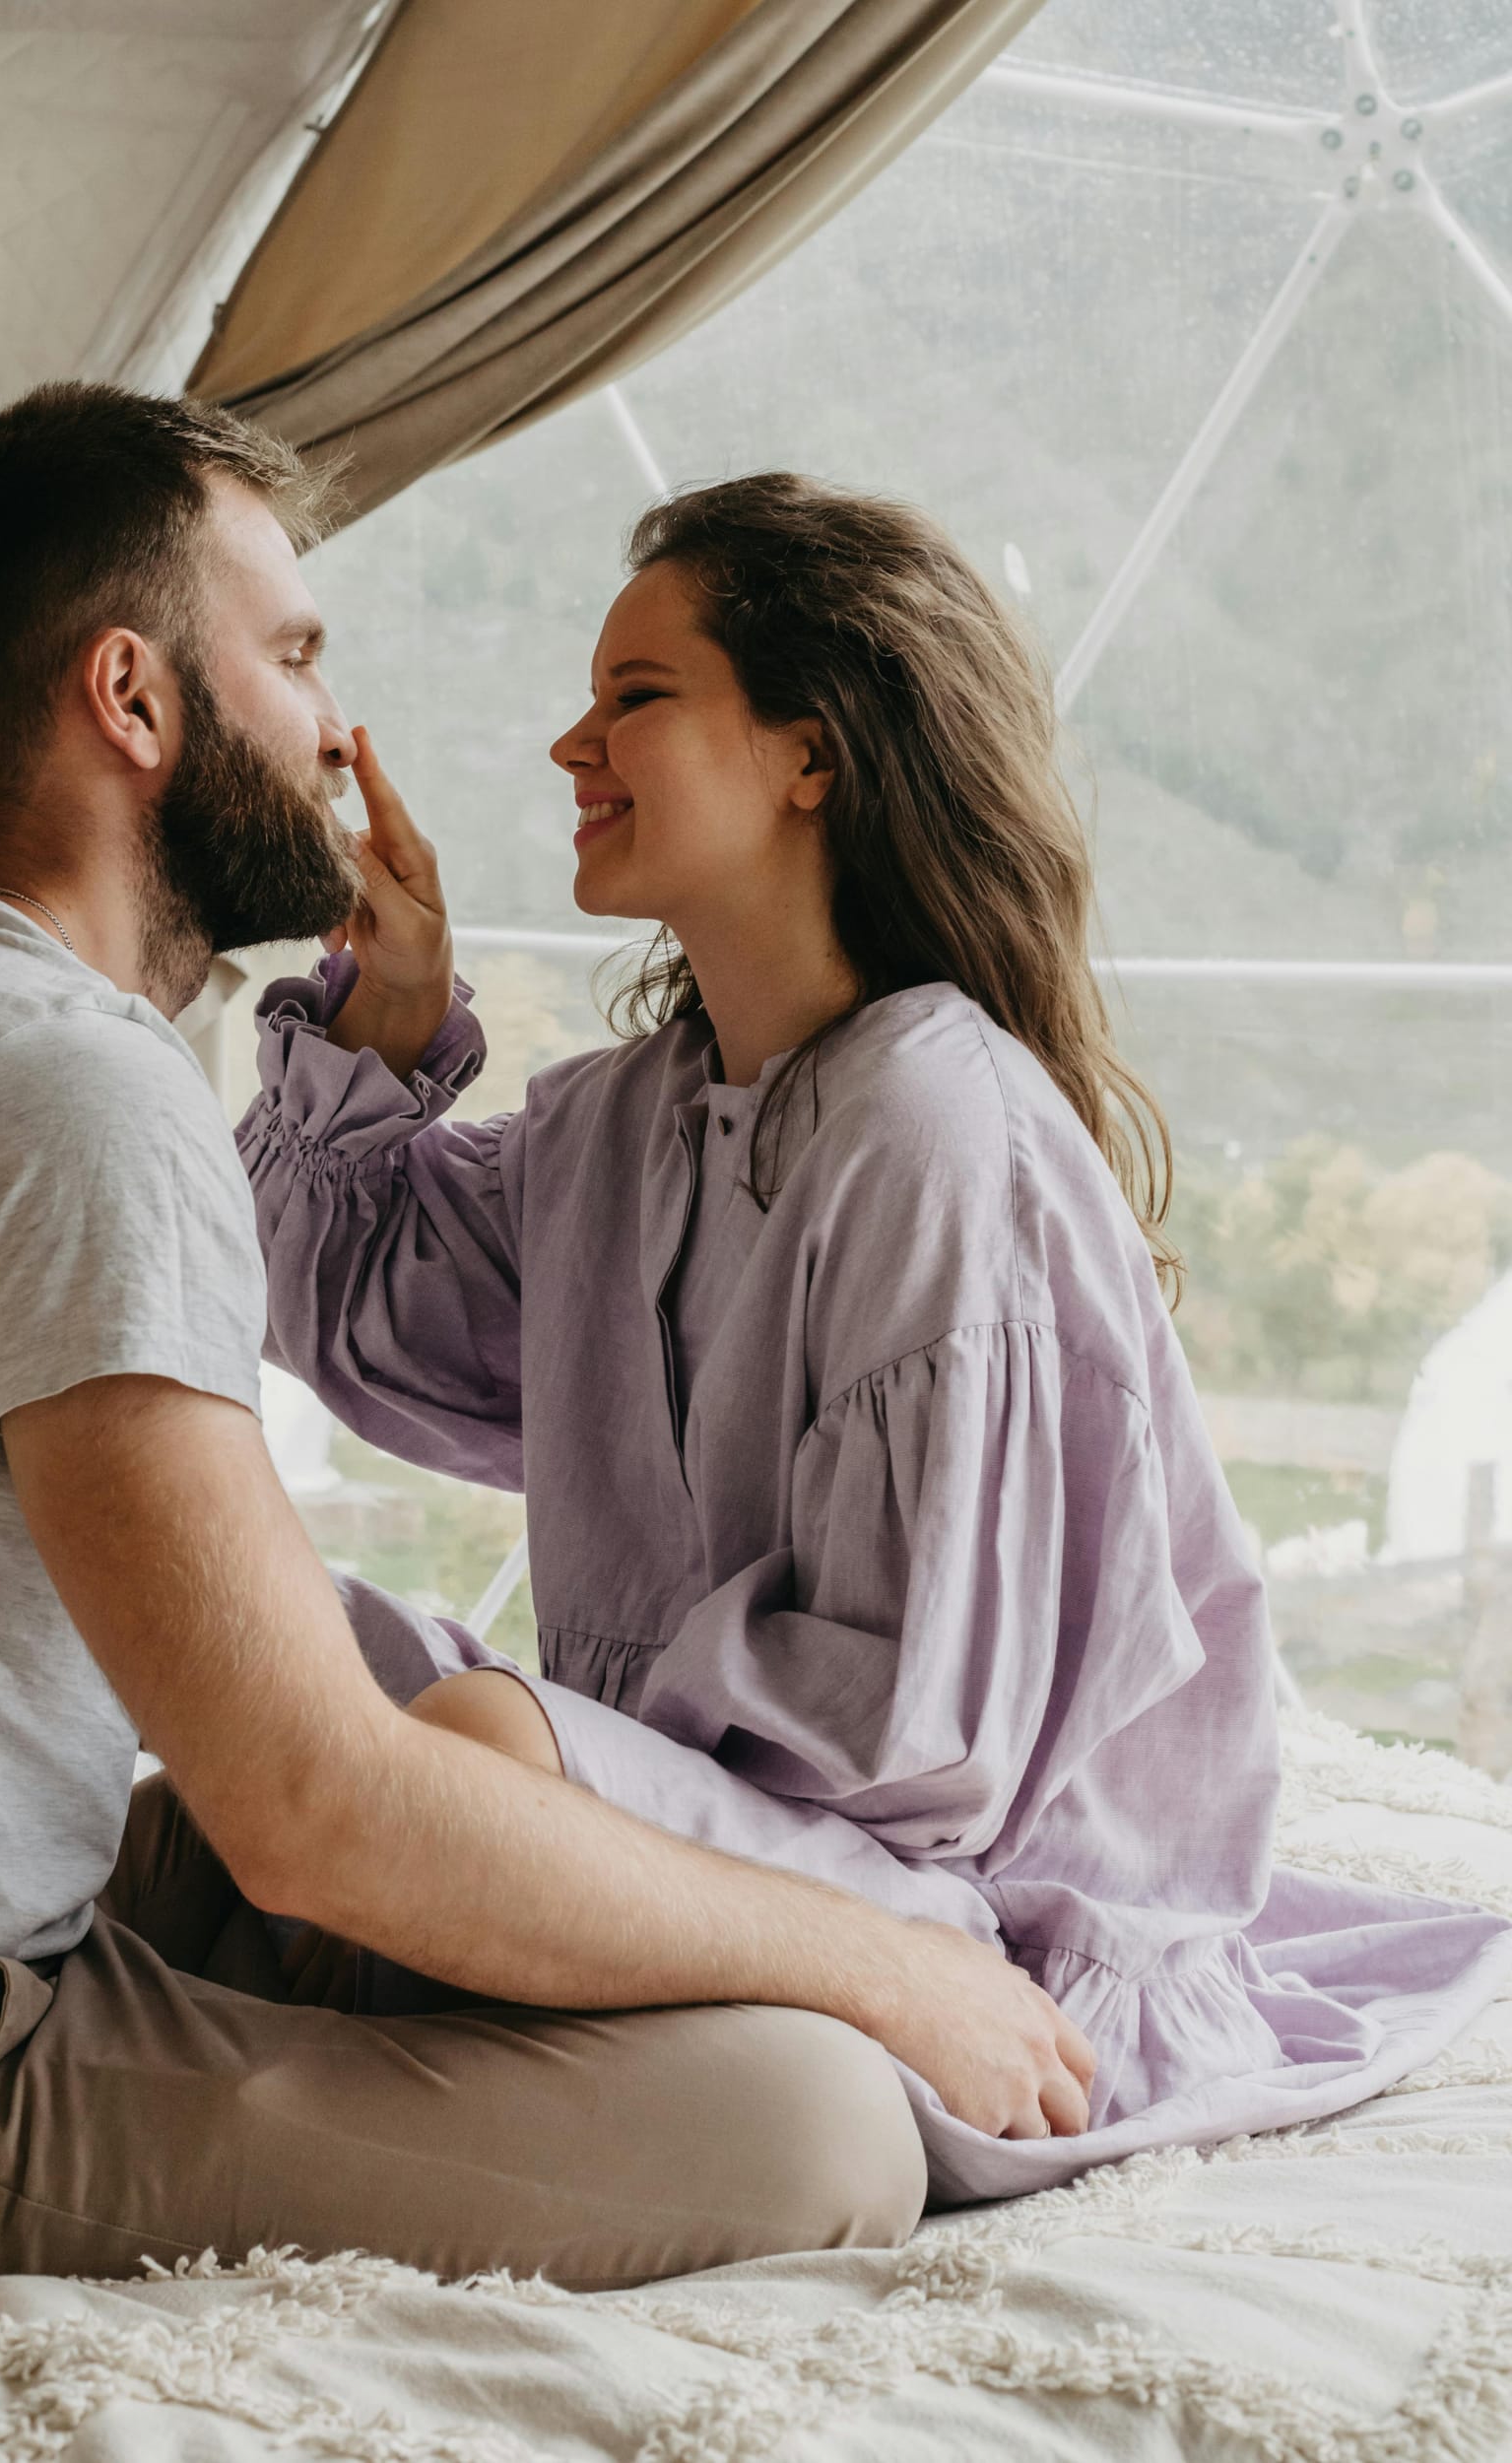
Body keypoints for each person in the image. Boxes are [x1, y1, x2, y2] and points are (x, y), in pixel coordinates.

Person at [0, 389, 1104, 2293]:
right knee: (823, 2122)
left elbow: (306, 1779)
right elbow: (312, 1814)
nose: (338, 731)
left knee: (484, 1816)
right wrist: (893, 1966)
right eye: (291, 657)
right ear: (134, 700)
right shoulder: (67, 1088)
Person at [238, 473, 1512, 2205]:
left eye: (637, 697)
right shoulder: (632, 1114)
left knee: (454, 1756)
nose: (568, 747)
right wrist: (391, 1010)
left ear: (809, 754)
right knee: (296, 1655)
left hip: (967, 1924)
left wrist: (536, 1769)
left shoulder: (934, 1124)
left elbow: (911, 1749)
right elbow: (353, 1317)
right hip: (735, 1842)